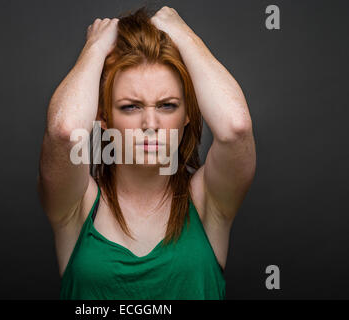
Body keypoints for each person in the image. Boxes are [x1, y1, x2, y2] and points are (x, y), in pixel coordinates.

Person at [37, 6, 256, 299]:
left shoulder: (208, 201)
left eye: (167, 105)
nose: (150, 125)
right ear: (103, 116)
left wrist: (182, 32)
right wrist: (96, 46)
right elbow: (64, 130)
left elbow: (236, 127)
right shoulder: (78, 203)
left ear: (188, 113)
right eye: (130, 106)